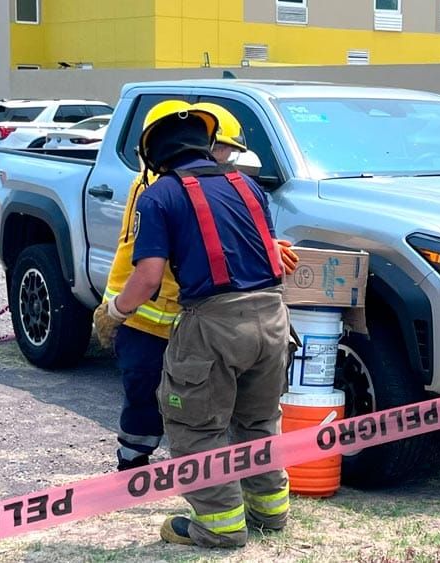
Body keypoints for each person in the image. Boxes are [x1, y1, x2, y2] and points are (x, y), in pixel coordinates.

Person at [95, 100, 292, 549]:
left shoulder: (159, 194)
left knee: (196, 429)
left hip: (214, 324)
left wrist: (114, 313)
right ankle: (270, 512)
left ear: (154, 157)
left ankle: (219, 527)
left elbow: (146, 277)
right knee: (259, 420)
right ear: (206, 145)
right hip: (273, 316)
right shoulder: (246, 184)